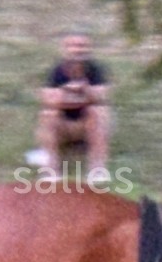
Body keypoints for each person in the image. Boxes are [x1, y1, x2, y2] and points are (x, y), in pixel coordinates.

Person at [34, 33, 113, 184]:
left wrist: (84, 89)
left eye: (82, 46)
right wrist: (69, 92)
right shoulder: (57, 71)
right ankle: (51, 170)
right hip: (63, 125)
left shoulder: (95, 70)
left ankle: (97, 170)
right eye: (73, 46)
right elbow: (49, 99)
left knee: (99, 111)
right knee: (48, 114)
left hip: (87, 124)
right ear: (65, 49)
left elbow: (101, 96)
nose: (78, 50)